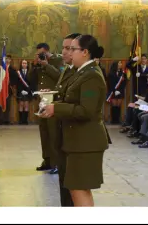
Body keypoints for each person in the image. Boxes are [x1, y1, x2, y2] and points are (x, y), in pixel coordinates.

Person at [37, 34, 109, 207]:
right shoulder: (81, 72)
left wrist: (56, 108)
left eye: (73, 49)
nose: (69, 52)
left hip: (86, 142)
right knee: (75, 190)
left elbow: (87, 110)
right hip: (77, 141)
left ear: (84, 52)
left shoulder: (91, 75)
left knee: (80, 190)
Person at [52, 33, 80, 204]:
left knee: (73, 185)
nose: (64, 52)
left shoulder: (83, 73)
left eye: (69, 48)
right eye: (63, 47)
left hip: (74, 134)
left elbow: (84, 107)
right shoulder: (67, 69)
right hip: (63, 131)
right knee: (64, 181)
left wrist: (55, 106)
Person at [29, 42, 61, 172]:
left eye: (41, 54)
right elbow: (30, 78)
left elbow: (60, 76)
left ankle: (56, 163)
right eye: (38, 54)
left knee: (53, 132)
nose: (40, 56)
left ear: (47, 52)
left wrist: (46, 65)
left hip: (53, 101)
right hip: (42, 100)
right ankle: (47, 160)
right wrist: (35, 65)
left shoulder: (57, 60)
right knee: (44, 131)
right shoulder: (39, 64)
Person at [105, 60, 126, 125]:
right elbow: (110, 83)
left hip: (120, 91)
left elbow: (124, 83)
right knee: (114, 105)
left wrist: (119, 90)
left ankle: (118, 120)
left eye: (121, 63)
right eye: (119, 63)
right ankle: (113, 120)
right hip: (113, 91)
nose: (120, 64)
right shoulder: (111, 73)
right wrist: (114, 90)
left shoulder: (122, 73)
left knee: (118, 105)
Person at [12, 58, 32, 125]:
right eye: (23, 63)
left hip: (27, 91)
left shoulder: (30, 72)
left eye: (25, 63)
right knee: (21, 105)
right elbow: (17, 83)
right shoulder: (18, 72)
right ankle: (20, 120)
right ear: (21, 64)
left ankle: (25, 121)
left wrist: (27, 91)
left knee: (26, 105)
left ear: (27, 64)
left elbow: (31, 83)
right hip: (20, 91)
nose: (24, 64)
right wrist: (21, 90)